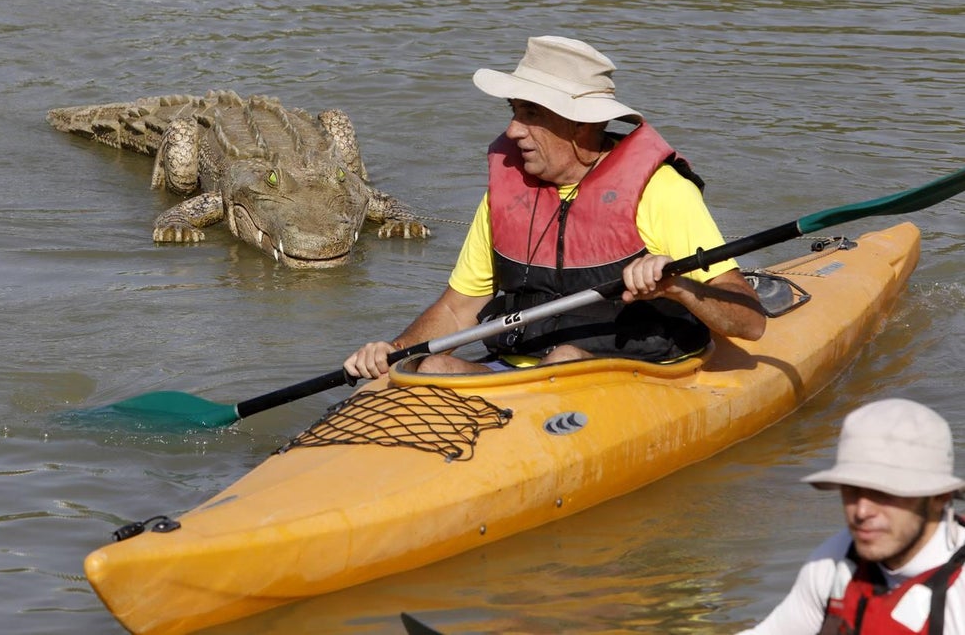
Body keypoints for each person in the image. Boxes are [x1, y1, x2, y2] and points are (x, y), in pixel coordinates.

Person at [344, 35, 765, 379]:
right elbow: (457, 310)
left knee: (564, 358)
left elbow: (751, 323)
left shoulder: (661, 191)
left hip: (632, 373)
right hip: (520, 372)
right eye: (514, 111)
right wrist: (395, 351)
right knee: (433, 366)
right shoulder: (506, 194)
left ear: (583, 123)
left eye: (531, 114)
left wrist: (678, 286)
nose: (513, 130)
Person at [739, 398, 965, 635]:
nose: (861, 511)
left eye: (883, 492)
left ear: (939, 497)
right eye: (851, 490)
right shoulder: (834, 561)